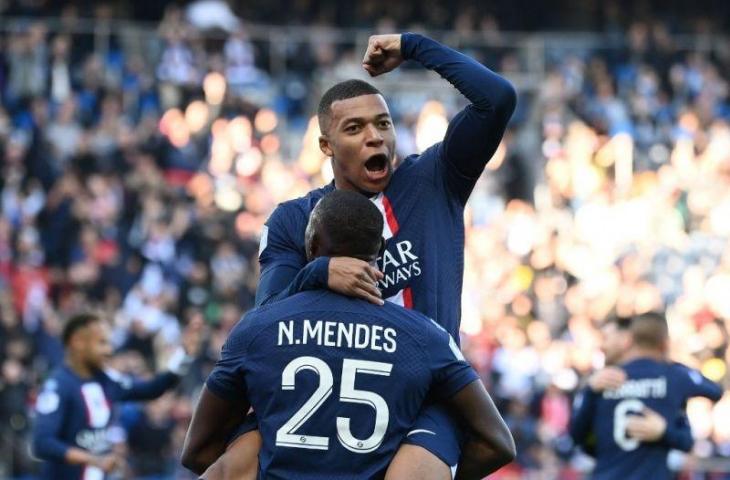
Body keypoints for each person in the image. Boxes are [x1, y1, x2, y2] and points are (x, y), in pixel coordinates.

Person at [227, 32, 517, 479]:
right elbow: (267, 315)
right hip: (330, 395)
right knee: (228, 464)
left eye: (383, 124)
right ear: (326, 147)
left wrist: (415, 47)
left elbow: (497, 99)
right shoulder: (292, 219)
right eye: (354, 128)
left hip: (426, 399)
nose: (374, 137)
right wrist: (320, 272)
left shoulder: (434, 180)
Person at [181, 190, 515, 479]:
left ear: (310, 245)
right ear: (381, 248)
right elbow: (498, 442)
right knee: (440, 422)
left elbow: (196, 451)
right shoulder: (426, 338)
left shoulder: (255, 330)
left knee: (251, 432)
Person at [32, 312, 198, 480]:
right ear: (78, 342)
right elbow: (42, 443)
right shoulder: (58, 385)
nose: (109, 350)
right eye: (102, 343)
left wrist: (184, 355)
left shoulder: (107, 380)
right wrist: (93, 460)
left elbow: (152, 390)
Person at [569, 313, 723, 479]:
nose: (602, 346)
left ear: (628, 340)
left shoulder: (599, 383)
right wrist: (665, 433)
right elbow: (714, 391)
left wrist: (590, 392)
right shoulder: (672, 376)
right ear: (665, 344)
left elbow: (575, 437)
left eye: (607, 338)